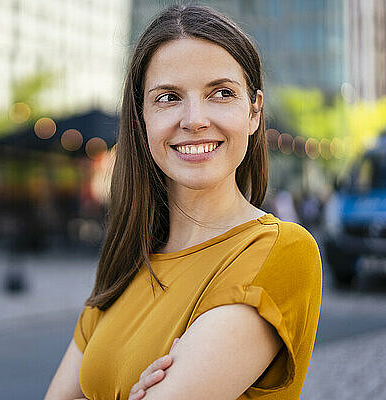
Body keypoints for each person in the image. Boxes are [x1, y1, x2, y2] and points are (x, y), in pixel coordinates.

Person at [44, 4, 322, 400]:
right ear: (142, 117)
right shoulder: (124, 267)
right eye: (169, 97)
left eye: (221, 93)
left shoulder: (280, 251)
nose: (194, 119)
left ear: (254, 112)